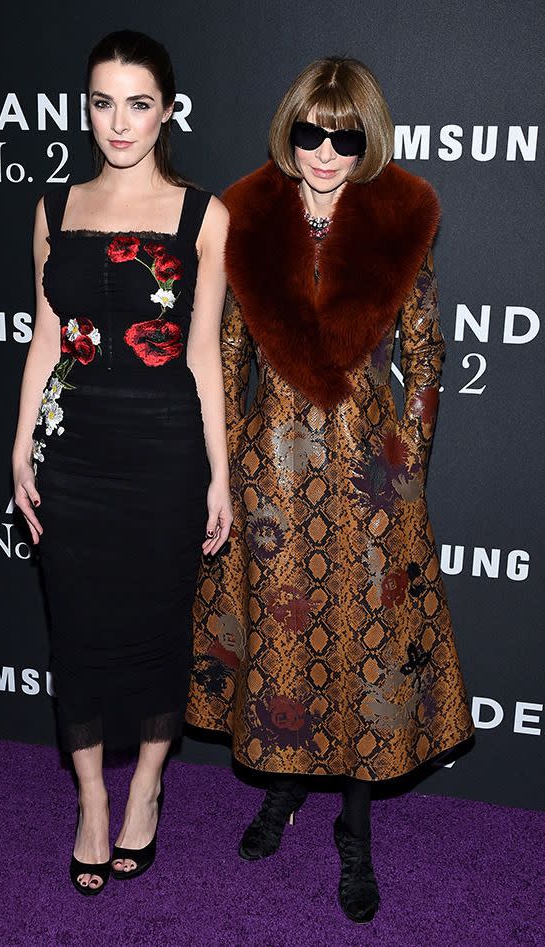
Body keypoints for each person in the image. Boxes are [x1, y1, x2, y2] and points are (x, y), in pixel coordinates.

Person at [187, 57, 474, 923]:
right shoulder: (247, 218)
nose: (323, 150)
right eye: (309, 131)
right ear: (290, 129)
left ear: (365, 138)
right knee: (280, 641)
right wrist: (224, 466)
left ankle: (356, 831)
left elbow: (426, 355)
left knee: (361, 646)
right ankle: (282, 790)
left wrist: (408, 467)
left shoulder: (398, 223)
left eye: (343, 135)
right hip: (268, 470)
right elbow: (228, 353)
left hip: (367, 476)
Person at [12, 29, 231, 895]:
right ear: (87, 107)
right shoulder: (52, 207)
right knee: (78, 630)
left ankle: (145, 785)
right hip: (72, 450)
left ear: (167, 110)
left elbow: (205, 353)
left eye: (138, 103)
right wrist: (19, 445)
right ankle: (90, 803)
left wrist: (219, 472)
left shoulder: (200, 215)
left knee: (155, 630)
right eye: (103, 102)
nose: (119, 121)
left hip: (165, 449)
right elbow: (42, 339)